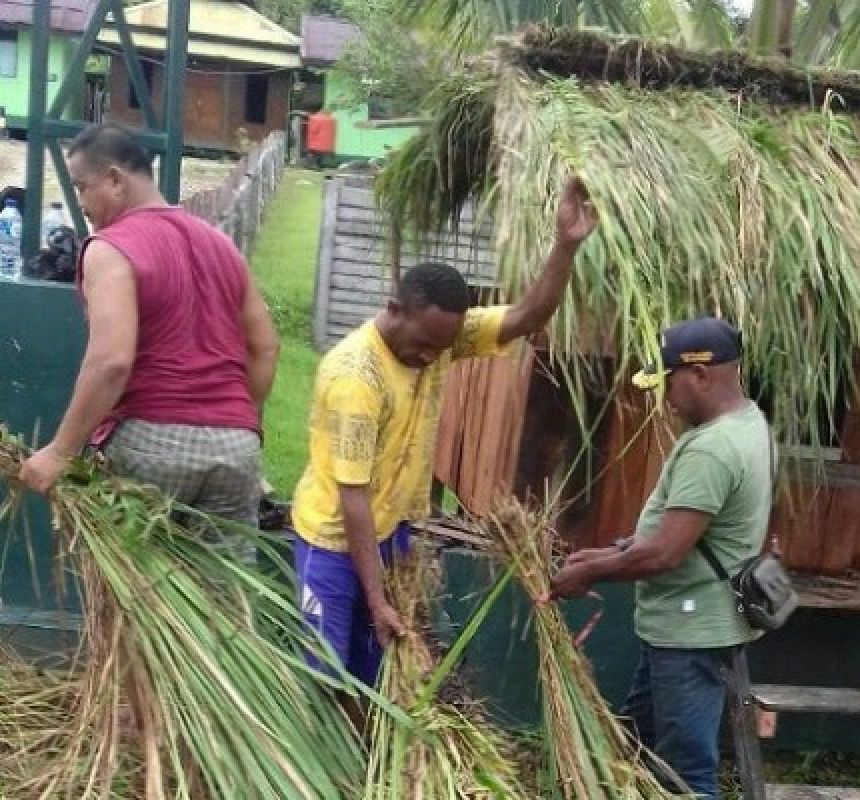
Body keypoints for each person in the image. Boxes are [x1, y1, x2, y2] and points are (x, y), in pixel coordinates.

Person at [290, 176, 596, 694]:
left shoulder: (442, 339)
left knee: (373, 676)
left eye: (444, 347)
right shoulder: (355, 377)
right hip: (335, 542)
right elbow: (352, 497)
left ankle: (366, 769)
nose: (434, 357)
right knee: (324, 675)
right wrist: (377, 595)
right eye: (425, 343)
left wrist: (565, 246)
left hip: (392, 534)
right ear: (394, 309)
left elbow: (527, 316)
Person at [19, 124, 279, 552]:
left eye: (83, 188)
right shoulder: (222, 245)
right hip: (236, 449)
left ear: (115, 180)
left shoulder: (111, 247)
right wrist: (235, 419)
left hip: (153, 442)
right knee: (225, 600)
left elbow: (112, 361)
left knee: (134, 602)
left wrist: (60, 452)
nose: (82, 205)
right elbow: (266, 346)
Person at [551, 317, 774, 800]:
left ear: (700, 375)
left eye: (668, 382)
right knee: (642, 749)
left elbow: (668, 552)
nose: (665, 397)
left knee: (686, 774)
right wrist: (611, 553)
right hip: (682, 626)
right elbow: (688, 537)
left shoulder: (713, 449)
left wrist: (589, 571)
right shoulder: (748, 422)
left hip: (690, 634)